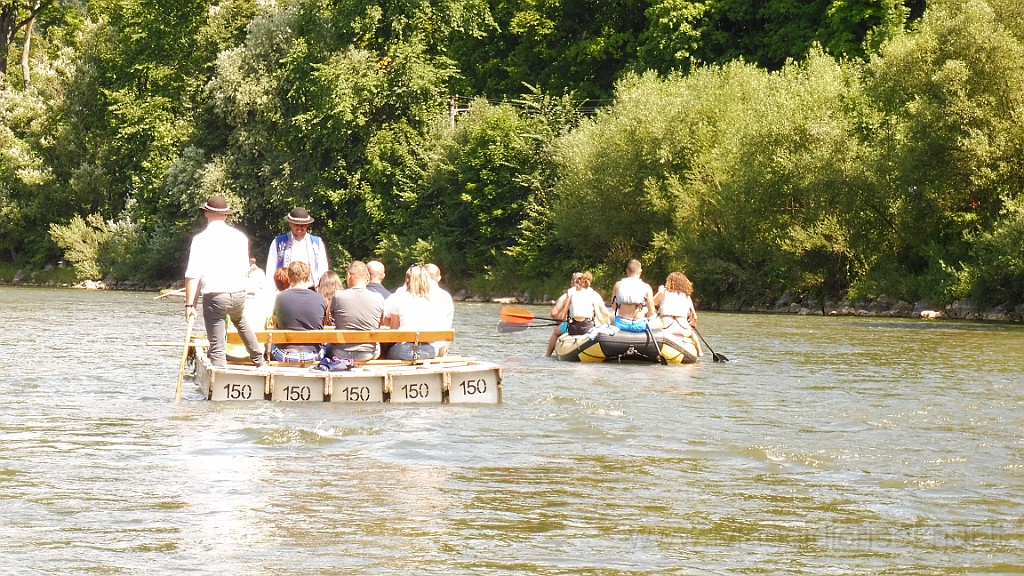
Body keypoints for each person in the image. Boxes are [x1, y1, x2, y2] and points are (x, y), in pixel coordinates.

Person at [183, 195, 265, 368]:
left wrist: (190, 306)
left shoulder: (200, 239)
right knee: (241, 321)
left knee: (218, 346)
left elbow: (193, 275)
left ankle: (220, 372)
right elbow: (244, 269)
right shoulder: (240, 237)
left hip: (215, 296)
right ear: (226, 215)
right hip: (238, 295)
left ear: (206, 213)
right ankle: (260, 361)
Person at [382, 265, 447, 360]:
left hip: (404, 350)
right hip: (429, 351)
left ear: (408, 280)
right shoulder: (437, 299)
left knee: (384, 352)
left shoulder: (399, 297)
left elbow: (394, 331)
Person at [270, 261, 327, 363]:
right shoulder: (320, 298)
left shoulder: (280, 298)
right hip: (314, 353)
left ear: (289, 277)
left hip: (284, 353)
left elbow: (276, 324)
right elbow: (321, 325)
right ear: (308, 277)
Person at [329, 260, 386, 361]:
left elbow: (332, 319)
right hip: (369, 353)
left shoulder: (338, 296)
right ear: (367, 278)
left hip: (341, 352)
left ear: (348, 276)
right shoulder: (379, 298)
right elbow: (379, 323)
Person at [266, 207, 330, 288]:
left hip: (310, 290)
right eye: (296, 224)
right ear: (290, 223)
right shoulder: (278, 242)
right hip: (286, 290)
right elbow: (270, 270)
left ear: (308, 225)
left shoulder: (317, 243)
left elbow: (323, 269)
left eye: (303, 225)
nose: (299, 228)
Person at [654, 271, 703, 356]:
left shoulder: (664, 292)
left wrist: (659, 290)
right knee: (692, 333)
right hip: (683, 329)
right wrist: (692, 324)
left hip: (666, 328)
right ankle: (699, 351)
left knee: (652, 324)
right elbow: (694, 316)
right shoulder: (686, 296)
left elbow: (651, 303)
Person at [608, 259, 657, 332]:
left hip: (621, 324)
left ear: (627, 271)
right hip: (639, 324)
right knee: (659, 321)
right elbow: (652, 311)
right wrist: (646, 313)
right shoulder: (646, 287)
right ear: (640, 272)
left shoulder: (618, 285)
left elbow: (614, 307)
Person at [555, 271, 610, 336]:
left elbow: (563, 317)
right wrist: (605, 324)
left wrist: (568, 320)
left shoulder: (571, 295)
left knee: (556, 332)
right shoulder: (592, 295)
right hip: (587, 328)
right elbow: (599, 316)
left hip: (573, 328)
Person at [546, 272, 582, 356]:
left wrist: (559, 323)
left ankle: (548, 355)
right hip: (589, 325)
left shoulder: (566, 296)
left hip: (571, 325)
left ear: (572, 282)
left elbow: (554, 313)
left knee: (556, 332)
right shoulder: (591, 294)